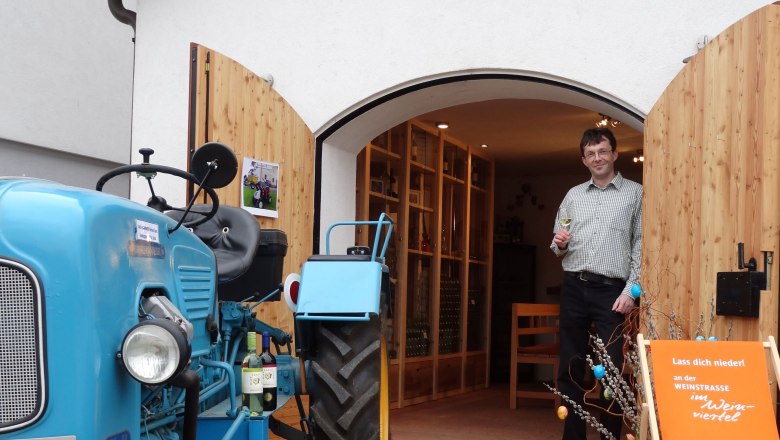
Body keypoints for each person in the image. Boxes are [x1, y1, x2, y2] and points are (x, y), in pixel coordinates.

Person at [550, 127, 642, 440]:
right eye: (591, 154)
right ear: (584, 160)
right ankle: (573, 436)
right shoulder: (573, 196)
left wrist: (631, 291)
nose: (597, 158)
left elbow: (642, 245)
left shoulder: (635, 193)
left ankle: (610, 436)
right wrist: (560, 242)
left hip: (612, 292)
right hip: (574, 286)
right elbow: (558, 243)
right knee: (571, 367)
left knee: (612, 369)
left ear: (615, 154)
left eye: (603, 151)